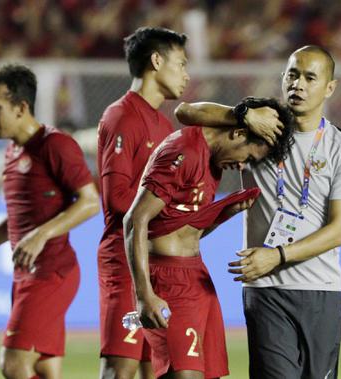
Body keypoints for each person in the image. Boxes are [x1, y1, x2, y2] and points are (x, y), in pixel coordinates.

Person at [96, 26, 284, 379]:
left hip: (161, 259)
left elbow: (191, 117)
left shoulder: (164, 124)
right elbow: (120, 204)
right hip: (130, 261)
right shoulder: (123, 116)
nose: (186, 74)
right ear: (156, 61)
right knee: (120, 370)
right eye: (181, 64)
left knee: (155, 370)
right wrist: (170, 206)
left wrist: (203, 215)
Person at [177, 45, 341, 379]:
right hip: (266, 291)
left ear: (329, 87)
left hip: (321, 290)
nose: (299, 84)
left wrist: (276, 256)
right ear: (283, 79)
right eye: (292, 75)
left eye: (310, 77)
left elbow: (338, 231)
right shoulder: (258, 130)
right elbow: (186, 112)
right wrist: (242, 114)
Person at [0, 64, 100, 379]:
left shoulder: (55, 145)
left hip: (52, 273)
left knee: (12, 364)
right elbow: (16, 221)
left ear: (22, 107)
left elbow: (90, 201)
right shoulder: (12, 153)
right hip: (25, 275)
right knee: (43, 369)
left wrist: (41, 235)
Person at [123, 98, 295, 379]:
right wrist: (144, 296)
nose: (243, 166)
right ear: (239, 133)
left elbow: (183, 230)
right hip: (167, 280)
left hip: (195, 277)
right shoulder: (185, 151)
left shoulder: (212, 162)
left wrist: (222, 213)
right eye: (248, 158)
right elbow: (135, 220)